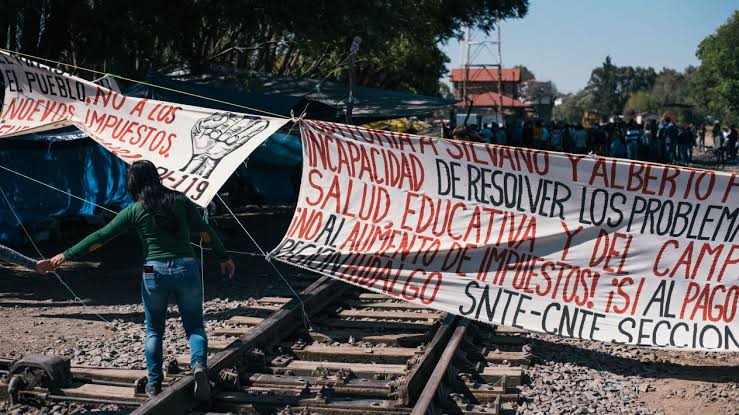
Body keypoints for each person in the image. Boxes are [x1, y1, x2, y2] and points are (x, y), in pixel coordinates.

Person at [50, 160, 236, 400]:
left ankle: (154, 384)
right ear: (156, 177)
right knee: (195, 326)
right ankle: (199, 366)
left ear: (133, 183)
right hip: (186, 268)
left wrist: (64, 256)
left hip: (153, 272)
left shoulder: (134, 210)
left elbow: (100, 237)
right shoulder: (179, 201)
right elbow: (204, 232)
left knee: (154, 331)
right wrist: (224, 256)